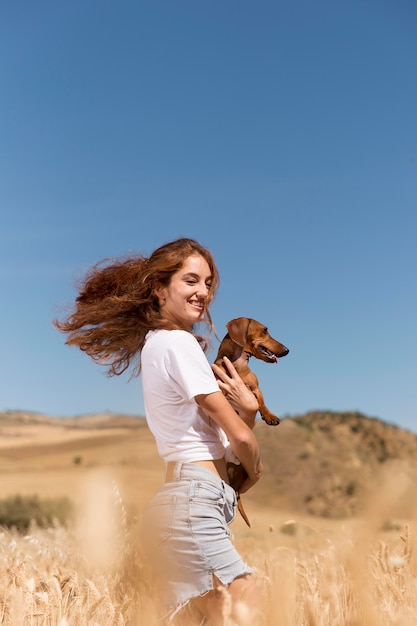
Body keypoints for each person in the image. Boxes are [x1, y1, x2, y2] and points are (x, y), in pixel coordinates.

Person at [54, 237, 264, 625]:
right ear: (159, 288)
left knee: (214, 618)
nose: (203, 292)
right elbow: (241, 439)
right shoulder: (179, 345)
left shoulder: (158, 344)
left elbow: (215, 436)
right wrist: (255, 466)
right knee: (246, 606)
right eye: (191, 281)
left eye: (208, 283)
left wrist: (248, 414)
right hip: (192, 505)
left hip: (185, 503)